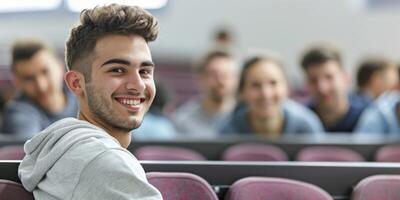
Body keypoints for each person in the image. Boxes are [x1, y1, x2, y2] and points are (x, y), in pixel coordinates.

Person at [18, 4, 162, 200]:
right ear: (77, 83)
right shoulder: (102, 160)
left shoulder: (67, 148)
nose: (137, 85)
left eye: (144, 71)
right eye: (117, 70)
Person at [221, 54, 324, 137]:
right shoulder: (229, 129)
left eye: (273, 83)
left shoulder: (307, 126)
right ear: (242, 92)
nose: (266, 94)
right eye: (255, 85)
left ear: (287, 88)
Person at [1, 40, 78, 138]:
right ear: (17, 82)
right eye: (28, 78)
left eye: (45, 72)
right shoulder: (18, 113)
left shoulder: (84, 97)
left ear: (60, 67)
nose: (41, 86)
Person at [172, 50, 238, 137]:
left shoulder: (251, 119)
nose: (221, 81)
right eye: (215, 75)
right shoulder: (181, 121)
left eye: (227, 75)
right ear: (200, 78)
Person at [300, 43, 365, 132]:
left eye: (329, 77)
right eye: (313, 80)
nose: (322, 88)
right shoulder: (300, 119)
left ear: (345, 78)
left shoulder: (367, 117)